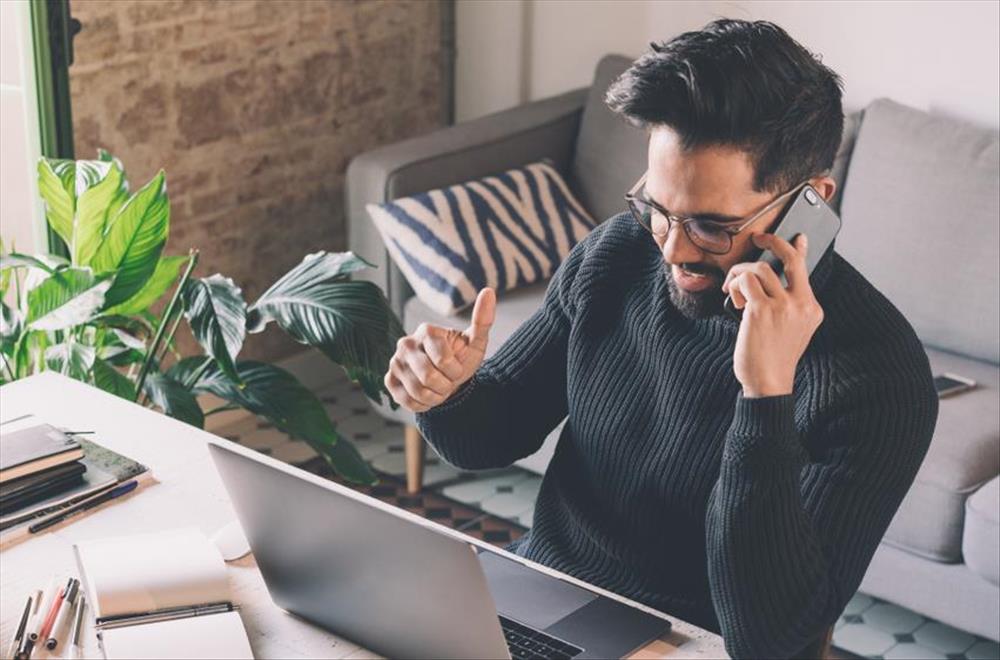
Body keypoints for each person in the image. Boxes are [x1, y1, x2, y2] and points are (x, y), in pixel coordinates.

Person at [384, 19, 938, 659]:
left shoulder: (879, 377)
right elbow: (492, 436)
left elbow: (772, 636)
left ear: (810, 201)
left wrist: (765, 396)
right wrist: (446, 393)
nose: (672, 249)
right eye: (657, 206)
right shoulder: (616, 254)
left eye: (709, 225)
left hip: (696, 645)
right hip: (546, 598)